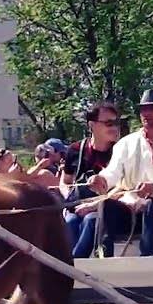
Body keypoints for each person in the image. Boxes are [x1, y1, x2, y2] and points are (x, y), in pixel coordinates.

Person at [88, 90, 153, 260]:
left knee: (152, 207)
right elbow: (113, 171)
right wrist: (102, 179)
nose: (146, 114)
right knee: (107, 206)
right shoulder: (126, 143)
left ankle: (149, 264)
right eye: (143, 110)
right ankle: (103, 260)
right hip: (130, 206)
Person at [62, 102, 120, 259]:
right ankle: (67, 265)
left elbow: (124, 186)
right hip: (77, 206)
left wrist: (94, 205)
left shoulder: (120, 151)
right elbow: (65, 181)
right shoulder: (75, 150)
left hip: (106, 209)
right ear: (92, 125)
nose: (114, 127)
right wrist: (71, 199)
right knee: (70, 221)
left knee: (91, 220)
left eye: (116, 122)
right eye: (108, 123)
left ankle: (73, 266)